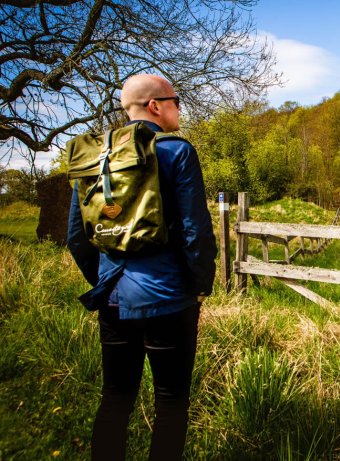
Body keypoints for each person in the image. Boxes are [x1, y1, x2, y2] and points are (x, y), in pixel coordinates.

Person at [67, 74, 217, 460]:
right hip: (168, 298)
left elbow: (77, 236)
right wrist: (200, 285)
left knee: (116, 398)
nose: (179, 108)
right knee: (170, 404)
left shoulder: (96, 157)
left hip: (112, 297)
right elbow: (194, 232)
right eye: (176, 100)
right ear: (155, 105)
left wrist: (104, 280)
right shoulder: (176, 151)